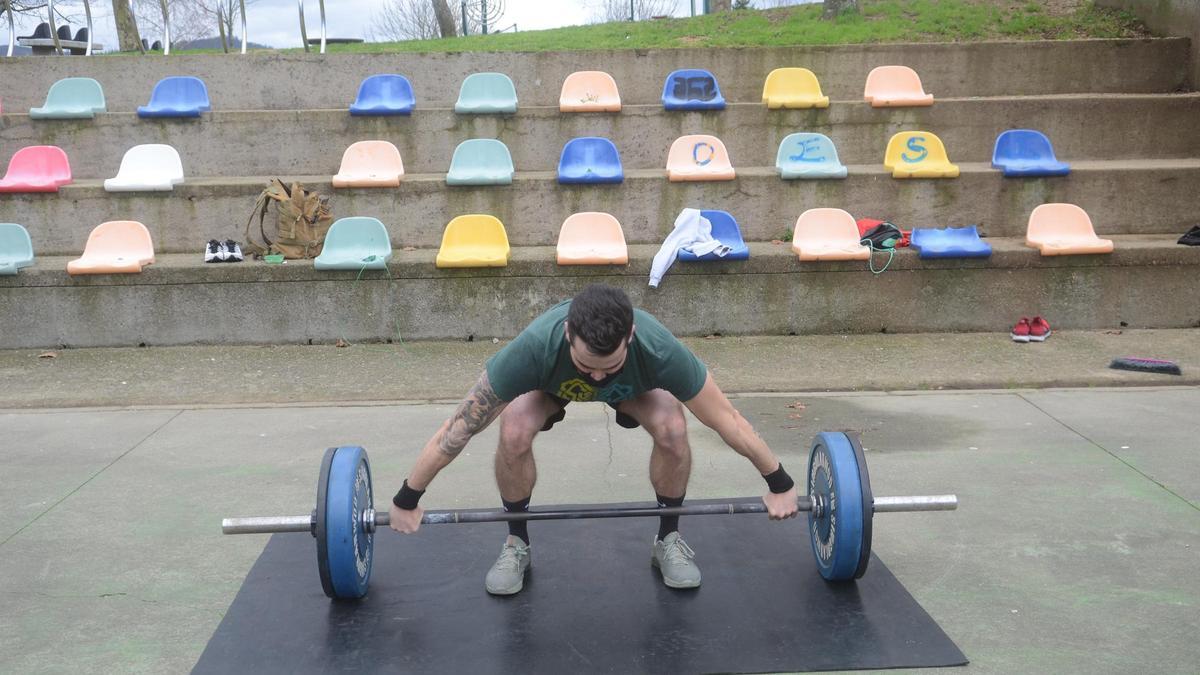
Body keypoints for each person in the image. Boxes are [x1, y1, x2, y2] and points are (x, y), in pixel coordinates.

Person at [389, 284, 799, 594]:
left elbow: (728, 420)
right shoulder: (534, 348)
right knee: (512, 427)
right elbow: (457, 429)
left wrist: (779, 483)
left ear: (631, 335)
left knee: (674, 427)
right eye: (587, 366)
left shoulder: (658, 348)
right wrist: (408, 498)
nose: (598, 377)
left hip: (633, 394)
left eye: (610, 365)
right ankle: (517, 542)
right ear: (568, 334)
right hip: (550, 389)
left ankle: (668, 538)